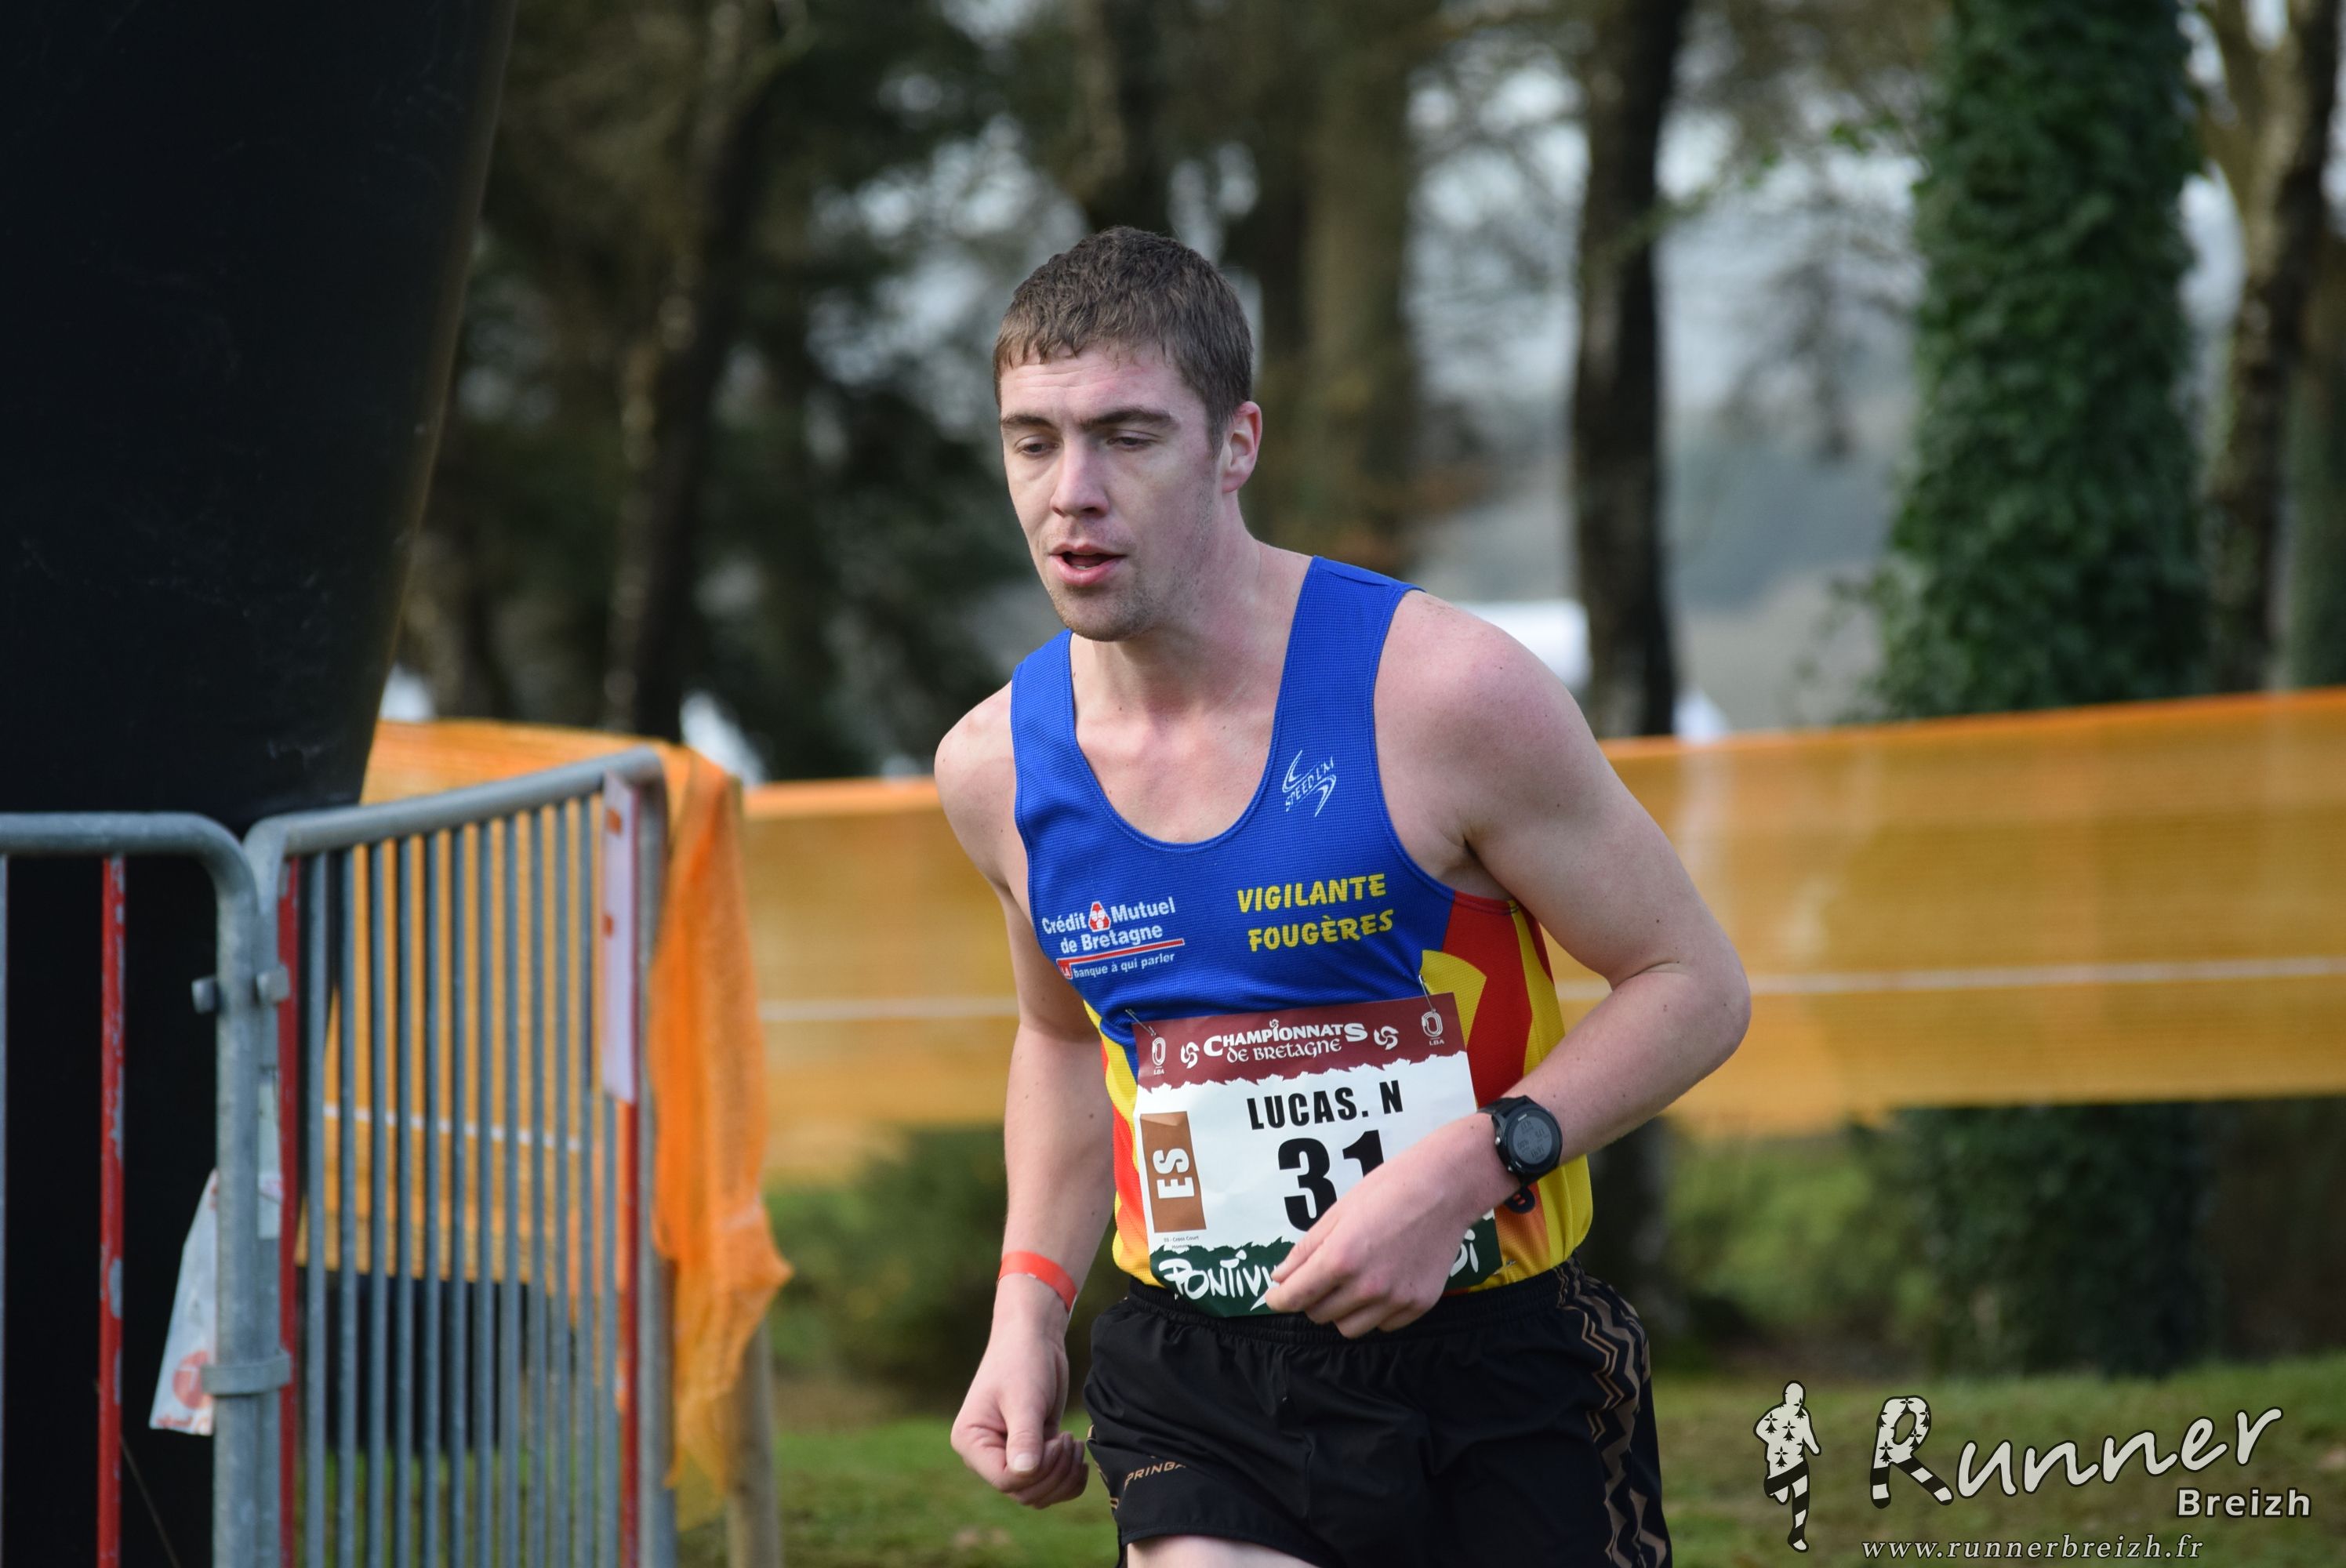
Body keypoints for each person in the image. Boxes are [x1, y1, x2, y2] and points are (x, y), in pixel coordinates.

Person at [936, 226, 1750, 1568]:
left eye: (1129, 437)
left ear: (1236, 444)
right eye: (1035, 441)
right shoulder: (995, 768)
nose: (1072, 493)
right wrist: (1027, 1304)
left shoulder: (1446, 696)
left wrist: (1465, 1172)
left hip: (1495, 1358)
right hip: (1201, 1370)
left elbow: (1694, 987)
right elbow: (1064, 1040)